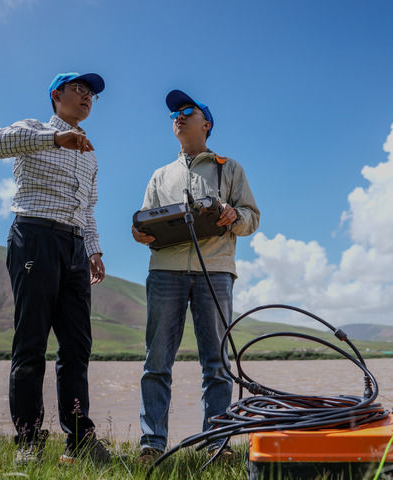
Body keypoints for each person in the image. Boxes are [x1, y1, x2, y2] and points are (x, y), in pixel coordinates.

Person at [0, 72, 111, 466]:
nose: (87, 98)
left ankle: (79, 440)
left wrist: (93, 249)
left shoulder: (90, 153)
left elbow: (88, 208)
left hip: (74, 246)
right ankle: (29, 439)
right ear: (57, 95)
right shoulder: (34, 129)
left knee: (77, 346)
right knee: (31, 342)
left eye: (91, 94)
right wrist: (55, 139)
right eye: (79, 90)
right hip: (34, 236)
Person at [131, 89, 260, 461]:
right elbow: (146, 222)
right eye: (175, 113)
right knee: (156, 361)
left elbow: (252, 218)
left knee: (216, 363)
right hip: (164, 272)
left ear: (207, 124)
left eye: (188, 110)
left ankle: (216, 444)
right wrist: (139, 233)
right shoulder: (160, 175)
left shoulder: (229, 168)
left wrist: (233, 216)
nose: (179, 116)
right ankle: (152, 444)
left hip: (215, 272)